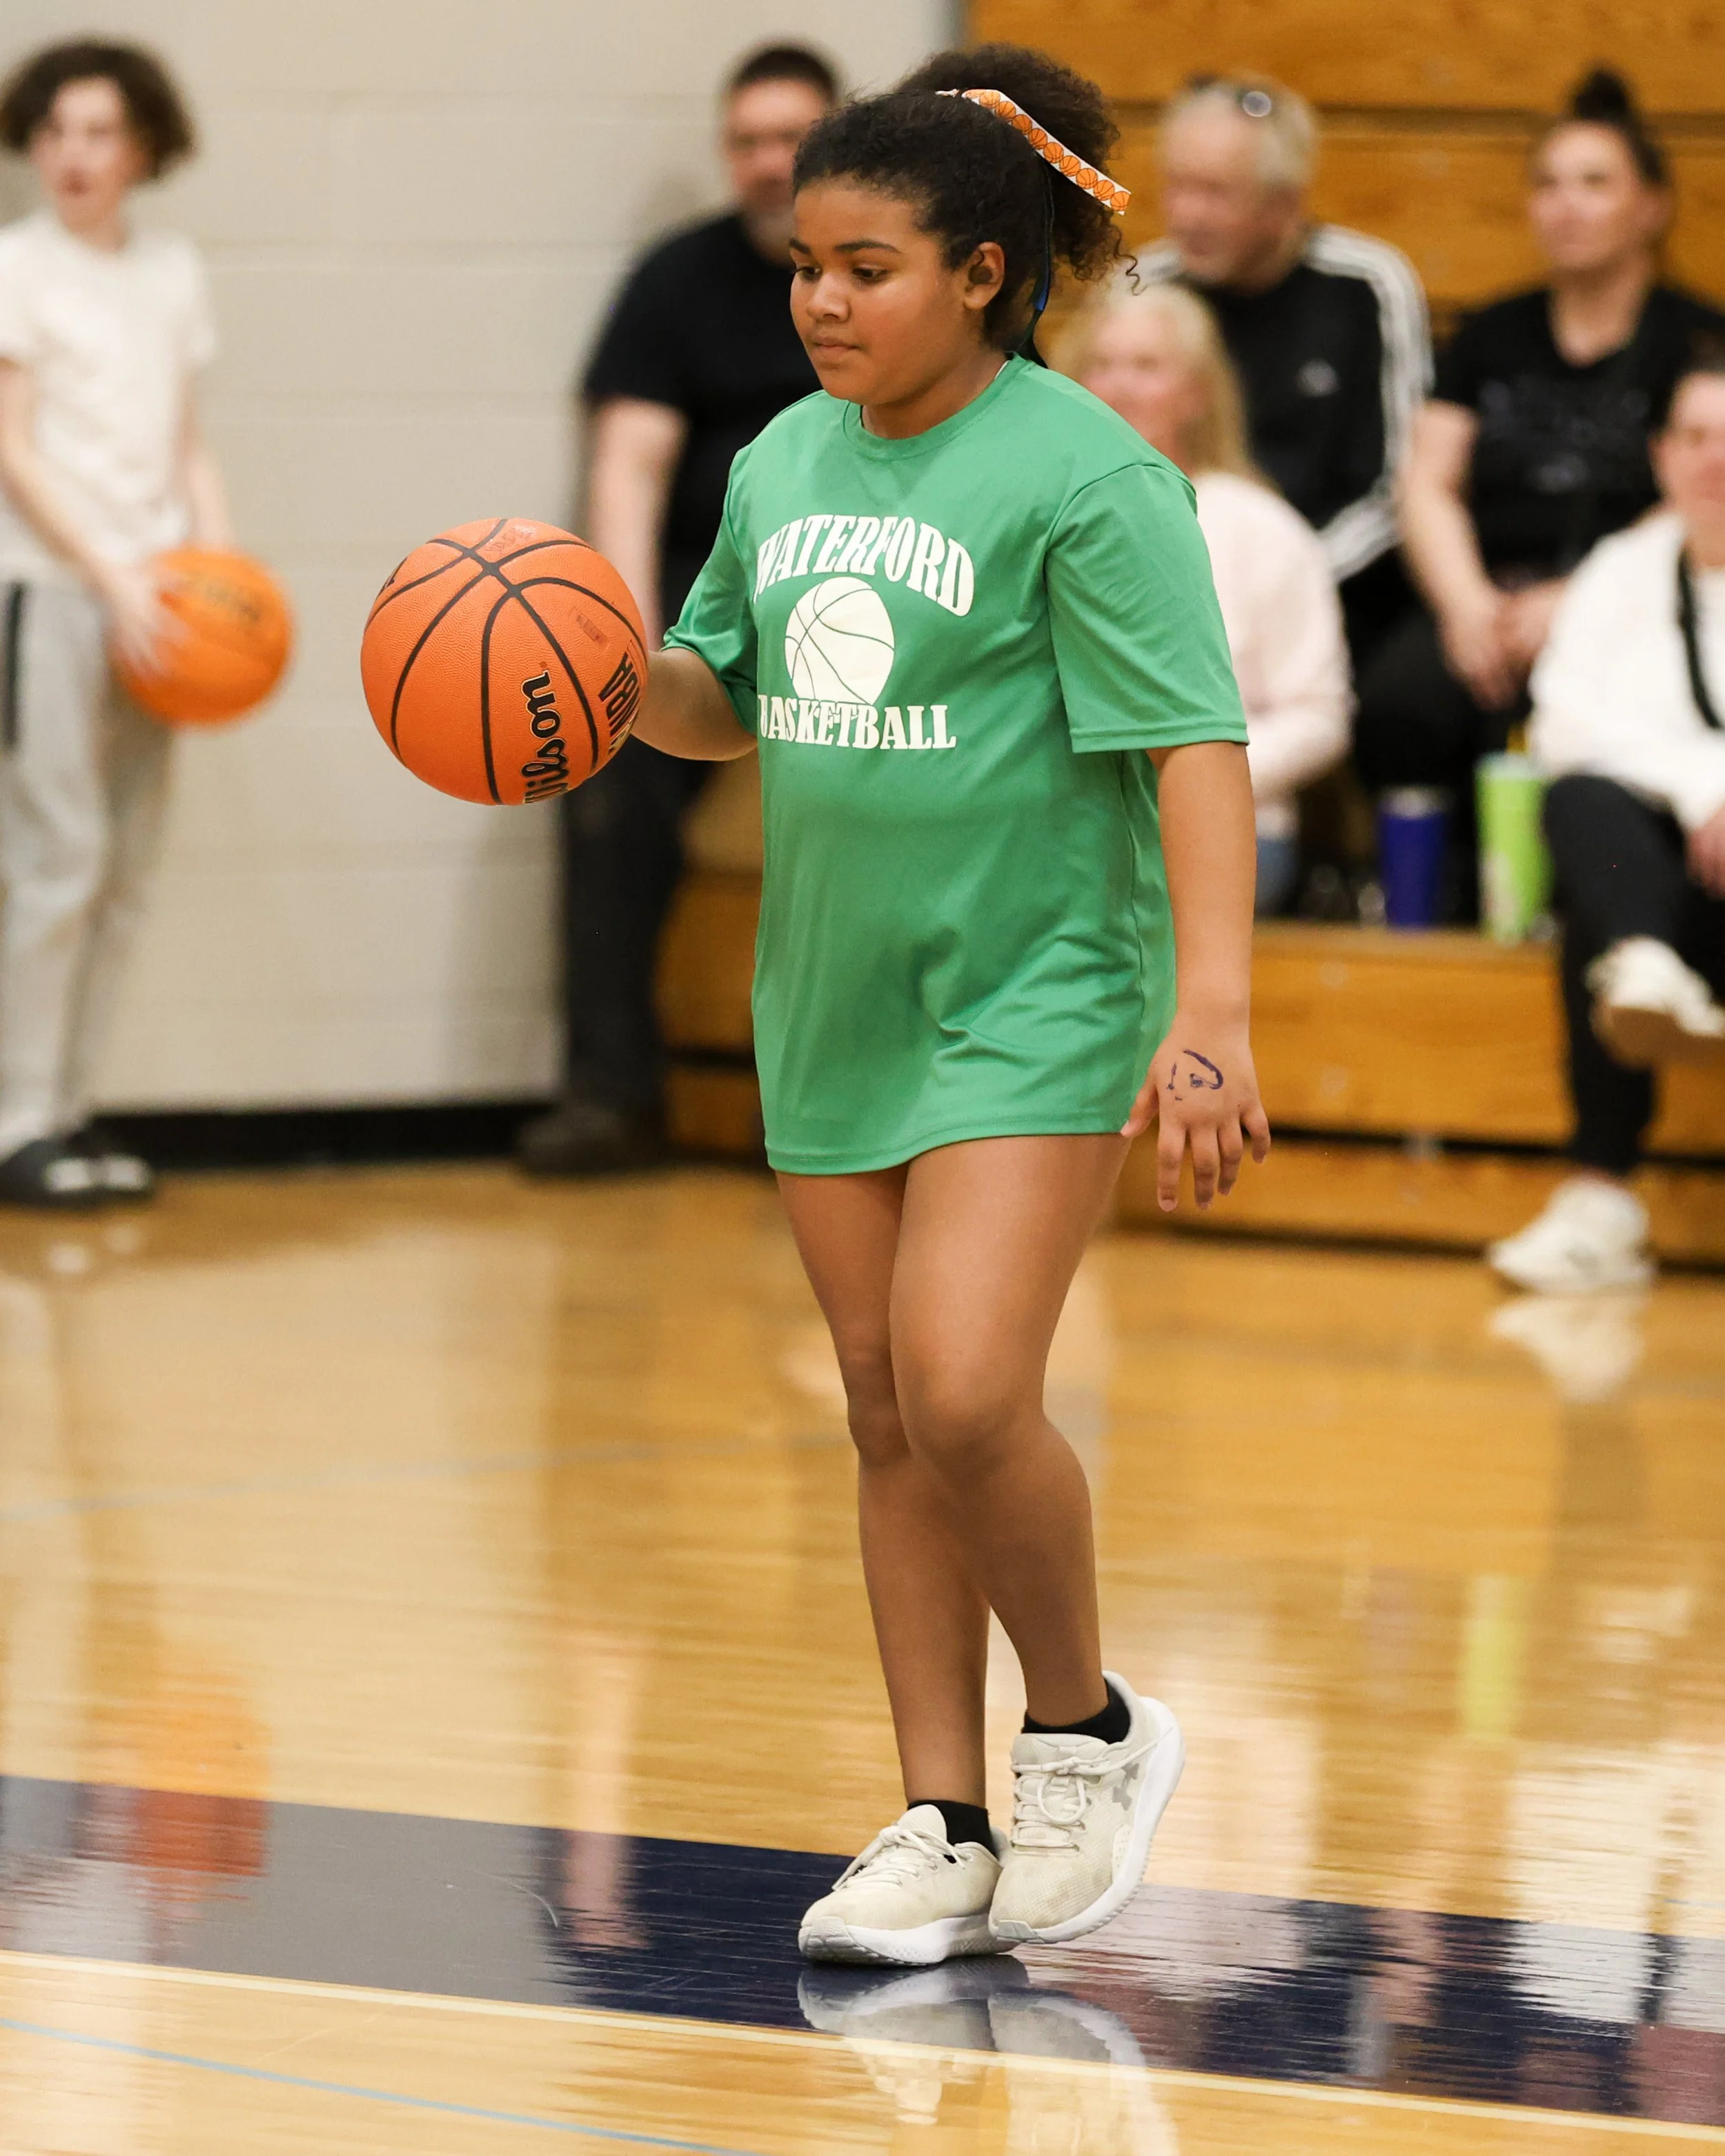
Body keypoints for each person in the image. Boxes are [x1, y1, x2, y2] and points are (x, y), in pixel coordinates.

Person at [632, 42, 1270, 1964]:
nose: (822, 299)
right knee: (887, 1404)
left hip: (1034, 986)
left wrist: (1212, 1010)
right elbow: (710, 693)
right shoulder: (778, 458)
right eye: (804, 265)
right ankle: (939, 1814)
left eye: (868, 265)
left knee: (976, 1381)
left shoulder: (1088, 472)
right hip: (827, 992)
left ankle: (1083, 1724)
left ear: (983, 274)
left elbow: (1194, 746)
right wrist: (579, 685)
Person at [518, 44, 837, 1176]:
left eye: (788, 139)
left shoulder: (881, 283)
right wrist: (626, 651)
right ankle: (611, 1091)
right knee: (602, 773)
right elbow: (629, 472)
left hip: (854, 610)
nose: (764, 163)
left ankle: (837, 1098)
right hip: (710, 621)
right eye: (745, 141)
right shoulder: (677, 282)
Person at [1358, 70, 1725, 916]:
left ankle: (1593, 908)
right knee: (1399, 699)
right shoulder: (1493, 331)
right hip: (1490, 589)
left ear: (1652, 206)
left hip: (1631, 591)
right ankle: (1425, 907)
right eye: (1548, 185)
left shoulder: (1695, 335)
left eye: (1595, 184)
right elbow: (1428, 479)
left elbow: (1704, 478)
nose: (1566, 206)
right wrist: (1464, 607)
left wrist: (1578, 598)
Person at [0, 41, 228, 1209]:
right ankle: (17, 1119)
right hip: (49, 588)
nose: (74, 154)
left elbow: (186, 442)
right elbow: (12, 446)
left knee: (129, 865)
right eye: (55, 132)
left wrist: (216, 569)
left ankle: (74, 1115)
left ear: (143, 146)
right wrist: (110, 575)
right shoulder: (16, 267)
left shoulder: (174, 272)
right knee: (60, 856)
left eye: (98, 131)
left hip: (164, 606)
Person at [1488, 359, 1725, 1296]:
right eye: (1697, 438)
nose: (1716, 461)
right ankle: (1600, 1206)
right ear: (1663, 456)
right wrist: (1702, 797)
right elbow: (1566, 725)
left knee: (1610, 908)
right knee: (1581, 807)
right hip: (1669, 886)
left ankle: (1642, 965)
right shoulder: (1624, 572)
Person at [1056, 281, 1351, 916]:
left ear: (1197, 392)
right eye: (1102, 366)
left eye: (1146, 367)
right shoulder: (1036, 516)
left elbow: (1320, 717)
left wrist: (1187, 779)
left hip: (1222, 828)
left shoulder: (1260, 528)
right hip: (1060, 824)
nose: (1120, 386)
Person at [1138, 74, 1430, 670]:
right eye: (1177, 187)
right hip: (1168, 592)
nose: (1186, 214)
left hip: (1337, 592)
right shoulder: (1144, 287)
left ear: (1282, 206)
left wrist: (1279, 581)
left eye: (1215, 193)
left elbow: (1395, 487)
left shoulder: (1367, 285)